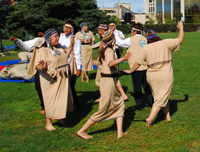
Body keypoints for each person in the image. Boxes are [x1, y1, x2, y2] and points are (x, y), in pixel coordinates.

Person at [123, 21, 184, 127]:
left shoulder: (145, 48)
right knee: (162, 97)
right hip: (165, 75)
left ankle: (167, 116)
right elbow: (180, 40)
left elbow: (137, 63)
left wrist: (131, 71)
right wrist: (181, 28)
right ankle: (150, 118)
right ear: (157, 36)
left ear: (147, 39)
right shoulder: (165, 43)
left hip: (151, 76)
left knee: (160, 97)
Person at [77, 30, 131, 139]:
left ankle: (119, 132)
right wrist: (123, 58)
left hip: (110, 80)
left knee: (120, 104)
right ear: (112, 40)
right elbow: (110, 63)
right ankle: (82, 131)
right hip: (108, 82)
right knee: (103, 110)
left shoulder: (105, 49)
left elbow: (102, 63)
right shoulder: (110, 50)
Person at [34, 29, 74, 131]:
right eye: (55, 36)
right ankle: (48, 123)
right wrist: (42, 67)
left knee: (61, 99)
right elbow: (38, 66)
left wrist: (71, 44)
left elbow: (66, 53)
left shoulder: (59, 48)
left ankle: (59, 117)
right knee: (51, 100)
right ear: (48, 38)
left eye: (57, 36)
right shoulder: (43, 50)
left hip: (62, 78)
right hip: (51, 79)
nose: (57, 38)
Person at [115, 22, 153, 110]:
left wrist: (114, 34)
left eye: (132, 30)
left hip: (136, 68)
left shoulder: (130, 40)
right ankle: (153, 103)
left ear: (134, 31)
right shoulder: (145, 39)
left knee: (137, 87)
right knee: (147, 87)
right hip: (146, 66)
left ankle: (139, 105)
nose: (131, 32)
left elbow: (120, 43)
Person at [9, 33, 45, 114]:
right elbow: (26, 46)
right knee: (39, 87)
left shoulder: (57, 41)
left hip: (51, 68)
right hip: (39, 67)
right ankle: (44, 106)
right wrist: (17, 41)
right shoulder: (39, 40)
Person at [94, 24, 128, 102]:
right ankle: (122, 94)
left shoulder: (107, 44)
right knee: (114, 77)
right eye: (98, 30)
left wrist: (123, 58)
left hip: (105, 62)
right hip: (107, 60)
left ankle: (104, 97)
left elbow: (109, 62)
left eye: (100, 30)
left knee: (100, 79)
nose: (99, 32)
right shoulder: (107, 43)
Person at [59, 20, 82, 108]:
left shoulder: (75, 39)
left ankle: (75, 103)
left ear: (72, 30)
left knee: (70, 85)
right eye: (65, 27)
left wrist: (79, 67)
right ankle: (65, 103)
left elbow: (77, 54)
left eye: (69, 28)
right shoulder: (60, 37)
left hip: (70, 64)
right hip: (60, 64)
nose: (66, 29)